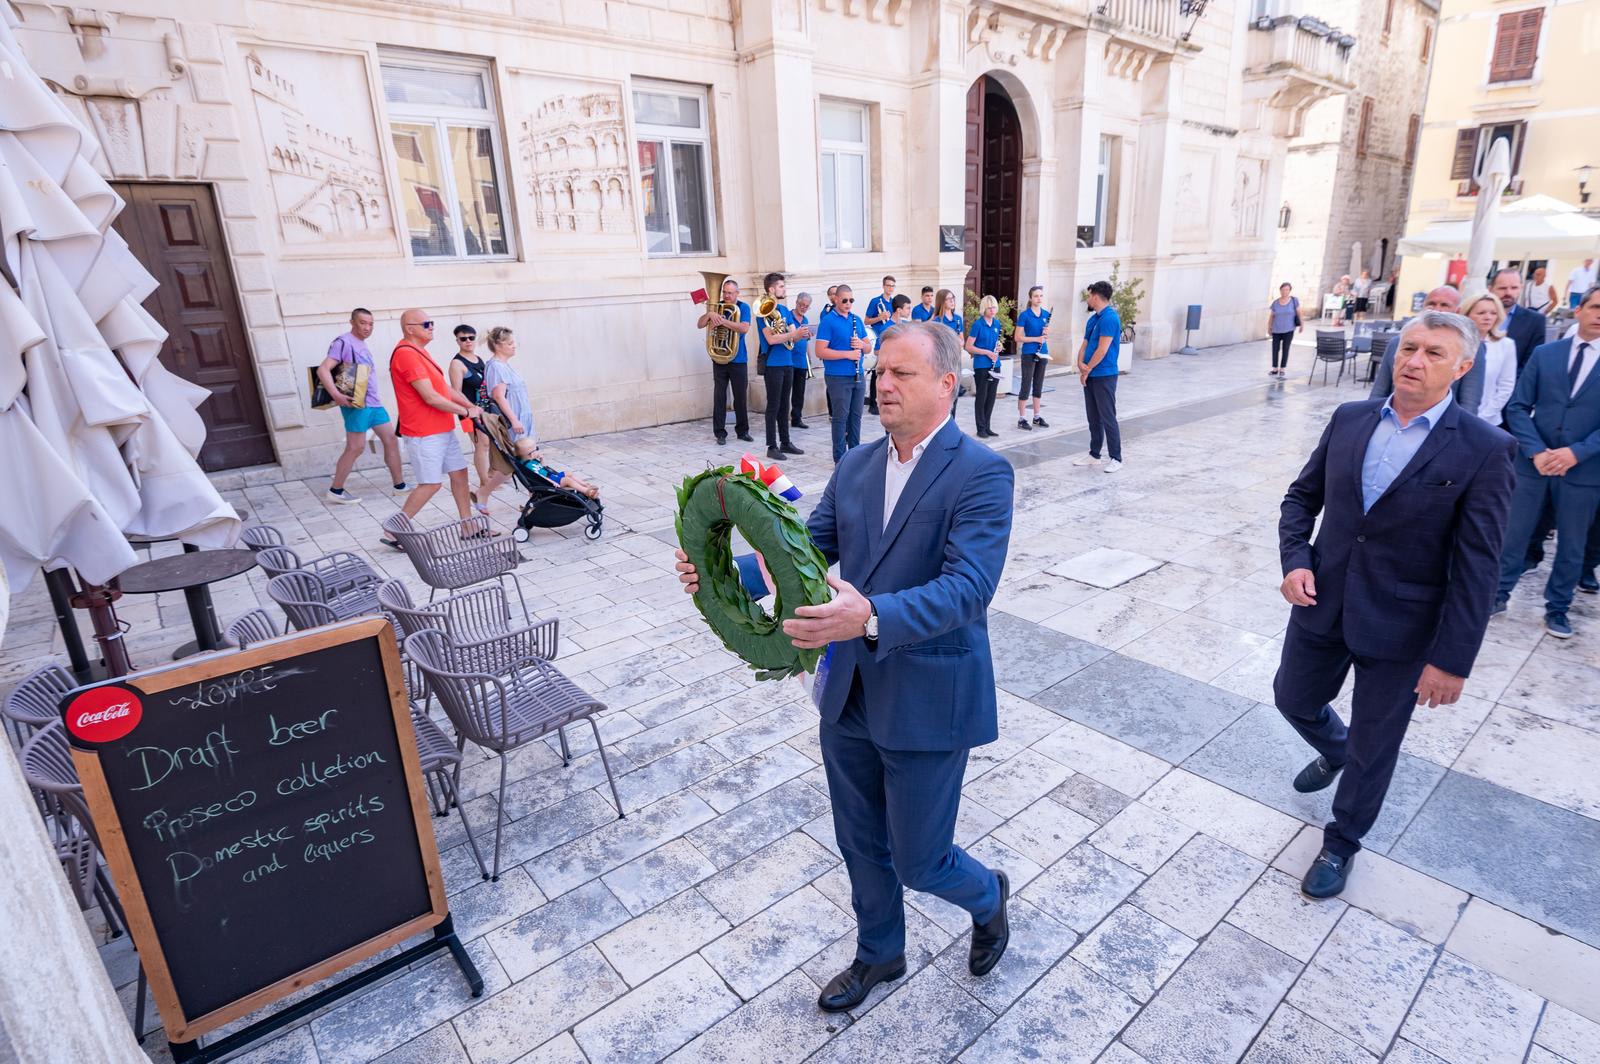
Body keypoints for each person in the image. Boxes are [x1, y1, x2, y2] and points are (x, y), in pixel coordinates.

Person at [673, 320, 1016, 1012]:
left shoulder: (981, 473)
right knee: (860, 842)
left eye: (901, 374)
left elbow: (968, 588)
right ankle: (880, 953)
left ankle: (987, 896)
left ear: (947, 385)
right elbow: (805, 546)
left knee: (922, 860)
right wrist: (719, 571)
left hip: (927, 697)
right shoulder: (858, 464)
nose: (882, 384)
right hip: (851, 693)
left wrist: (871, 616)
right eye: (878, 372)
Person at [1276, 311, 1514, 898]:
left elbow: (1478, 565)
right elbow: (1301, 499)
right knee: (1293, 697)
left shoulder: (1486, 450)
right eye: (1408, 347)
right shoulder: (1350, 418)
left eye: (1434, 353)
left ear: (1463, 367)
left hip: (1404, 625)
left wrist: (1453, 659)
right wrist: (1296, 561)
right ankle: (1335, 748)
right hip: (1323, 601)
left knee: (1376, 745)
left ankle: (1342, 842)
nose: (1414, 360)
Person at [1494, 286, 1600, 637]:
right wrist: (1537, 451)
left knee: (1572, 544)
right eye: (1596, 307)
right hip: (1533, 464)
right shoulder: (1545, 354)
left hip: (1583, 470)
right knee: (1513, 535)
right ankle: (1497, 595)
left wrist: (1576, 453)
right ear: (1580, 310)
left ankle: (1558, 608)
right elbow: (1517, 407)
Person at [382, 310, 481, 548]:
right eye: (426, 324)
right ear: (410, 328)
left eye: (432, 323)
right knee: (431, 484)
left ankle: (468, 526)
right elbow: (430, 397)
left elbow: (443, 389)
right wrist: (467, 413)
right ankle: (394, 529)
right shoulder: (406, 354)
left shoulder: (420, 352)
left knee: (459, 473)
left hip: (441, 427)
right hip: (423, 432)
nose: (432, 327)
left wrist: (471, 406)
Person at [479, 326, 599, 500]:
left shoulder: (504, 365)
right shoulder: (497, 367)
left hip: (521, 420)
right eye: (510, 343)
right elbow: (498, 396)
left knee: (529, 460)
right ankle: (484, 493)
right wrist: (514, 420)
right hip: (516, 422)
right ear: (498, 346)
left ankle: (537, 497)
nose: (514, 346)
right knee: (517, 463)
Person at [317, 307, 405, 504]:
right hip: (356, 405)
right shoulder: (343, 342)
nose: (367, 327)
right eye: (363, 323)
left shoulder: (361, 344)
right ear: (352, 322)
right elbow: (323, 370)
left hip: (374, 403)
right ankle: (336, 490)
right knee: (355, 447)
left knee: (390, 439)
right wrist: (336, 394)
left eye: (371, 324)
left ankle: (399, 486)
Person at [1369, 286, 1482, 412]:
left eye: (1445, 305)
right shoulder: (1397, 342)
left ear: (1458, 310)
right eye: (1431, 304)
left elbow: (1470, 400)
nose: (1437, 309)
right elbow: (1379, 389)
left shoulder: (1467, 348)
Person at [815, 285, 873, 462]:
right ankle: (839, 459)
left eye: (851, 300)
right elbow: (820, 351)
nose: (848, 304)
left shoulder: (856, 320)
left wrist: (861, 345)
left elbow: (868, 347)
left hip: (857, 375)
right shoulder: (828, 321)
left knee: (856, 417)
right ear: (836, 299)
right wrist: (847, 354)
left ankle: (854, 456)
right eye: (845, 300)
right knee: (840, 418)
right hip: (837, 377)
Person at [758, 272, 810, 460]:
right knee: (773, 406)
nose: (784, 289)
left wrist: (800, 333)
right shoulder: (762, 312)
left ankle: (785, 442)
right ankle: (771, 446)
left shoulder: (785, 311)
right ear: (771, 289)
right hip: (773, 364)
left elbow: (791, 334)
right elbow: (771, 339)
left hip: (788, 362)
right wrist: (791, 335)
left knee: (784, 405)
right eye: (781, 286)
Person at [697, 278, 754, 446]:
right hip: (719, 358)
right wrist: (709, 314)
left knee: (740, 398)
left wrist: (723, 322)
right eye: (725, 292)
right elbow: (699, 325)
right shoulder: (716, 307)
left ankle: (743, 431)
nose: (727, 296)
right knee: (719, 397)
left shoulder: (743, 307)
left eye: (730, 292)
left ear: (737, 293)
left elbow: (744, 328)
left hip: (738, 358)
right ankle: (720, 433)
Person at [1076, 280, 1123, 472]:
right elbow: (1085, 345)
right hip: (1091, 374)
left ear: (1095, 296)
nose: (1087, 299)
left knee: (1107, 416)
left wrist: (1087, 369)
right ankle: (1094, 454)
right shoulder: (1093, 319)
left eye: (1089, 296)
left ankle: (1116, 457)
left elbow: (1103, 349)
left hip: (1104, 374)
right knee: (1093, 416)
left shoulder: (1110, 318)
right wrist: (1079, 363)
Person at [447, 324, 492, 515]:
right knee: (480, 444)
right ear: (457, 340)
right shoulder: (457, 364)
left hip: (484, 410)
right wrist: (470, 409)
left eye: (471, 338)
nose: (468, 342)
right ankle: (484, 481)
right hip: (469, 411)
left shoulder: (478, 359)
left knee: (487, 443)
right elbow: (455, 392)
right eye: (463, 338)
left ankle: (487, 479)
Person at [1461, 294, 1518, 426]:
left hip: (1488, 421)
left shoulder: (1506, 345)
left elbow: (1506, 387)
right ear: (1467, 314)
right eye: (1481, 313)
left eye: (1493, 313)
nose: (1488, 317)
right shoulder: (1457, 343)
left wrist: (1482, 417)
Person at [1492, 268, 1547, 373]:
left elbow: (1531, 363)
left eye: (1514, 288)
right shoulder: (1477, 315)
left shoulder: (1535, 321)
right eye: (1502, 288)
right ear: (1491, 289)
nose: (1508, 292)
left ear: (1521, 288)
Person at [965, 296, 1004, 439]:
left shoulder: (997, 323)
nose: (993, 310)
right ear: (984, 309)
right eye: (989, 308)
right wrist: (986, 352)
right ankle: (980, 428)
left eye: (994, 307)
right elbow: (969, 346)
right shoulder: (978, 325)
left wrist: (999, 346)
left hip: (995, 364)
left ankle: (987, 426)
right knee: (982, 396)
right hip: (982, 365)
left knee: (991, 397)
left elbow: (996, 342)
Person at [1015, 286, 1051, 429]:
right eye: (1036, 296)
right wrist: (1036, 338)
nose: (1039, 299)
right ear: (1030, 298)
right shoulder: (1025, 315)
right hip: (1029, 353)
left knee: (1039, 384)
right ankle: (1022, 418)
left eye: (1041, 296)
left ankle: (1037, 416)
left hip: (1043, 352)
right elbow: (1017, 337)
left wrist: (1046, 333)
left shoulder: (1046, 314)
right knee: (1026, 384)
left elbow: (1045, 336)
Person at [864, 276, 897, 415]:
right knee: (875, 372)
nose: (890, 288)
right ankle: (873, 403)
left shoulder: (894, 303)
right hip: (878, 338)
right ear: (883, 286)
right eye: (888, 285)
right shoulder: (875, 301)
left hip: (890, 339)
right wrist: (880, 318)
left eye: (892, 286)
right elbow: (866, 320)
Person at [1267, 283, 1303, 379]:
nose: (1285, 292)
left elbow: (1299, 313)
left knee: (1285, 348)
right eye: (1283, 290)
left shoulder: (1294, 301)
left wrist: (1302, 325)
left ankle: (1282, 368)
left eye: (1287, 290)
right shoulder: (1275, 303)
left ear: (1289, 291)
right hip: (1276, 329)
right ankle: (1275, 368)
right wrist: (1269, 327)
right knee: (1275, 349)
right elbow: (1272, 316)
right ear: (1280, 290)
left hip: (1289, 329)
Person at [791, 291, 815, 431]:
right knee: (785, 391)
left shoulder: (805, 320)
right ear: (796, 302)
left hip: (801, 360)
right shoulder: (788, 316)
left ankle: (797, 418)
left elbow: (806, 342)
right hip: (789, 360)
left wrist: (809, 358)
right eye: (802, 305)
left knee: (799, 392)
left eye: (806, 306)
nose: (803, 308)